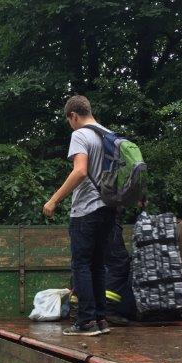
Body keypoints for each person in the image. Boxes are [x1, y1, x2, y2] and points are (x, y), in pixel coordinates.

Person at [43, 95, 114, 336]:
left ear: (73, 115)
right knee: (98, 265)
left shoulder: (81, 135)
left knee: (81, 264)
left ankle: (85, 321)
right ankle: (100, 319)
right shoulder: (108, 135)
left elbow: (80, 171)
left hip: (86, 210)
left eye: (69, 121)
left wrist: (54, 200)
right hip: (109, 208)